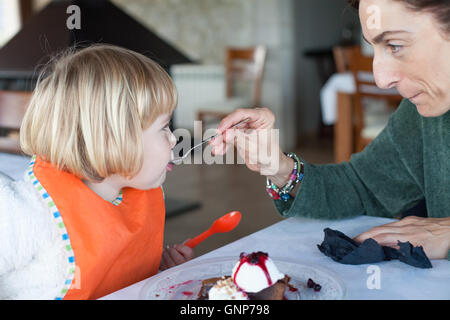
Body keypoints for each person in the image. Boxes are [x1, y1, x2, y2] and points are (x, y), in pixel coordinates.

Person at [210, 0, 450, 260]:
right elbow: (363, 186)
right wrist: (279, 168)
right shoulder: (423, 118)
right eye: (375, 48)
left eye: (395, 45)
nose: (381, 79)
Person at [0, 44, 193, 300]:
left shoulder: (139, 195)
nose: (173, 139)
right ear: (114, 139)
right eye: (164, 127)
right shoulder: (26, 213)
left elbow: (115, 276)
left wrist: (161, 272)